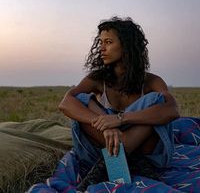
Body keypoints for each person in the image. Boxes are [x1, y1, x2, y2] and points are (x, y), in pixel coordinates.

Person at [58, 16, 180, 188]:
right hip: (104, 145)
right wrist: (107, 125)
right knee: (80, 99)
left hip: (145, 152)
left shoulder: (151, 81)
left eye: (108, 42)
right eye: (100, 43)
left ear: (127, 45)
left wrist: (121, 119)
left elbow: (172, 110)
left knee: (156, 100)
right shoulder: (98, 79)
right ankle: (130, 161)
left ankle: (109, 166)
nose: (102, 48)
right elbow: (65, 103)